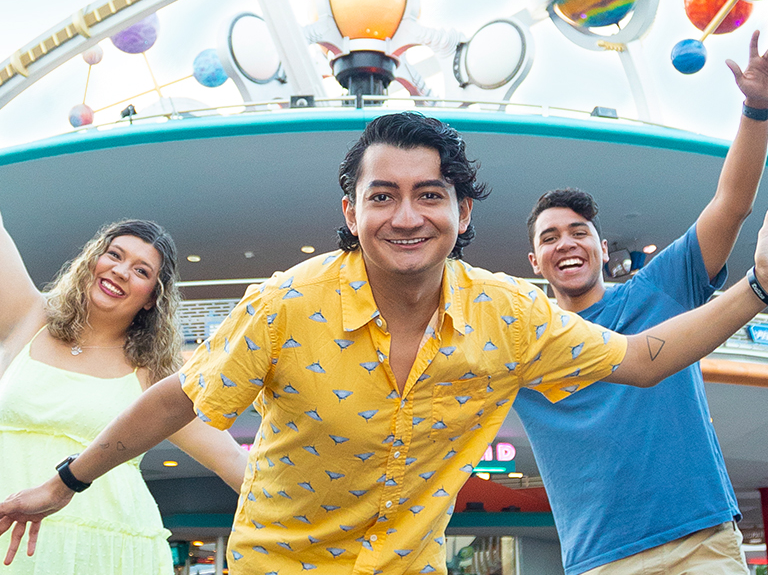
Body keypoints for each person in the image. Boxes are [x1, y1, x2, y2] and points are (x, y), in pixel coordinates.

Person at [2, 112, 768, 575]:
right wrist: (66, 481)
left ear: (463, 213)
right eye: (384, 196)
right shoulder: (287, 304)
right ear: (353, 209)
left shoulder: (509, 315)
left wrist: (757, 289)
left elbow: (642, 360)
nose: (407, 215)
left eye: (429, 194)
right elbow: (177, 398)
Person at [517, 31, 768, 575]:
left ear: (602, 248)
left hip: (700, 541)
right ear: (535, 263)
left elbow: (732, 204)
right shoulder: (521, 343)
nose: (566, 243)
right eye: (550, 237)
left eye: (578, 231)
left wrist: (755, 111)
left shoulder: (659, 288)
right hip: (602, 561)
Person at [0, 217, 248, 574]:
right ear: (91, 260)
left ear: (152, 298)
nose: (120, 271)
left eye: (141, 271)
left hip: (107, 552)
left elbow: (232, 462)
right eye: (114, 255)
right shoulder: (30, 316)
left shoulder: (154, 375)